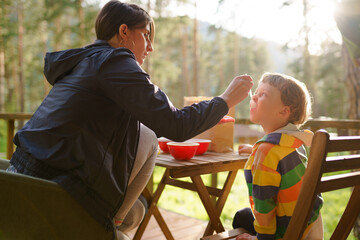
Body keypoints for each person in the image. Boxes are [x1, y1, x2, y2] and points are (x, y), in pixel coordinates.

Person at [7, 1, 253, 239]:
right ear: (123, 31)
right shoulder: (114, 60)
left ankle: (115, 219)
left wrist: (210, 112)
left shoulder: (84, 62)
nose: (150, 47)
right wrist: (225, 100)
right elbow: (176, 125)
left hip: (18, 180)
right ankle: (108, 226)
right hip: (54, 192)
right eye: (146, 35)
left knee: (137, 209)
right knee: (136, 204)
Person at [233, 73, 323, 240]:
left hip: (287, 234)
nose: (254, 98)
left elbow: (264, 204)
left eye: (263, 94)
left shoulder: (266, 152)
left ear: (283, 111)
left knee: (240, 217)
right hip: (309, 229)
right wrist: (255, 149)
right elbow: (278, 152)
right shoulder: (297, 141)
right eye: (256, 93)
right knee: (245, 215)